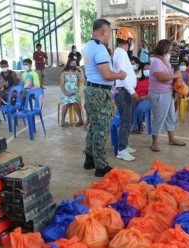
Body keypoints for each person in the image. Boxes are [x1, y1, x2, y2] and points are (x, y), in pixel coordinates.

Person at [82, 19, 126, 177]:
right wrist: (120, 75)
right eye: (109, 31)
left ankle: (89, 159)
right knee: (101, 129)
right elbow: (107, 75)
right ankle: (101, 166)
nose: (110, 35)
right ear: (103, 31)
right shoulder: (100, 49)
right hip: (99, 92)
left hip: (92, 89)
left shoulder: (88, 45)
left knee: (94, 126)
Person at [149, 39, 185, 152]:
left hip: (168, 92)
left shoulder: (165, 60)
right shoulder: (156, 62)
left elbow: (168, 75)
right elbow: (161, 77)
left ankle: (171, 138)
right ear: (164, 49)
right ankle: (154, 142)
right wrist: (176, 75)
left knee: (171, 116)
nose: (171, 51)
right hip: (159, 94)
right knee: (159, 118)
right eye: (169, 50)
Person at [112, 27, 139, 162]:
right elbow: (123, 75)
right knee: (125, 121)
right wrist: (132, 91)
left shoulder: (121, 53)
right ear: (128, 40)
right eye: (131, 40)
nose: (132, 43)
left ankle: (125, 145)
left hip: (126, 91)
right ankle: (121, 150)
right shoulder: (120, 53)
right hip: (124, 92)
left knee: (129, 119)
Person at [59, 59, 85, 127]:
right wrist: (65, 93)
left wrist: (81, 70)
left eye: (75, 64)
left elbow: (83, 80)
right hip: (66, 93)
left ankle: (80, 120)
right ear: (68, 64)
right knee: (66, 101)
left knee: (74, 101)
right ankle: (63, 121)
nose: (73, 65)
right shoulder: (64, 73)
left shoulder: (76, 72)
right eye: (72, 63)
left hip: (75, 93)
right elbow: (61, 85)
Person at [131, 63, 151, 134]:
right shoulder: (138, 80)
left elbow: (154, 93)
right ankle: (134, 126)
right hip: (137, 98)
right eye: (145, 69)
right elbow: (134, 90)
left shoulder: (154, 81)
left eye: (149, 69)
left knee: (139, 109)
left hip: (148, 99)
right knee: (130, 107)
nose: (147, 70)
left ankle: (139, 124)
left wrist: (144, 97)